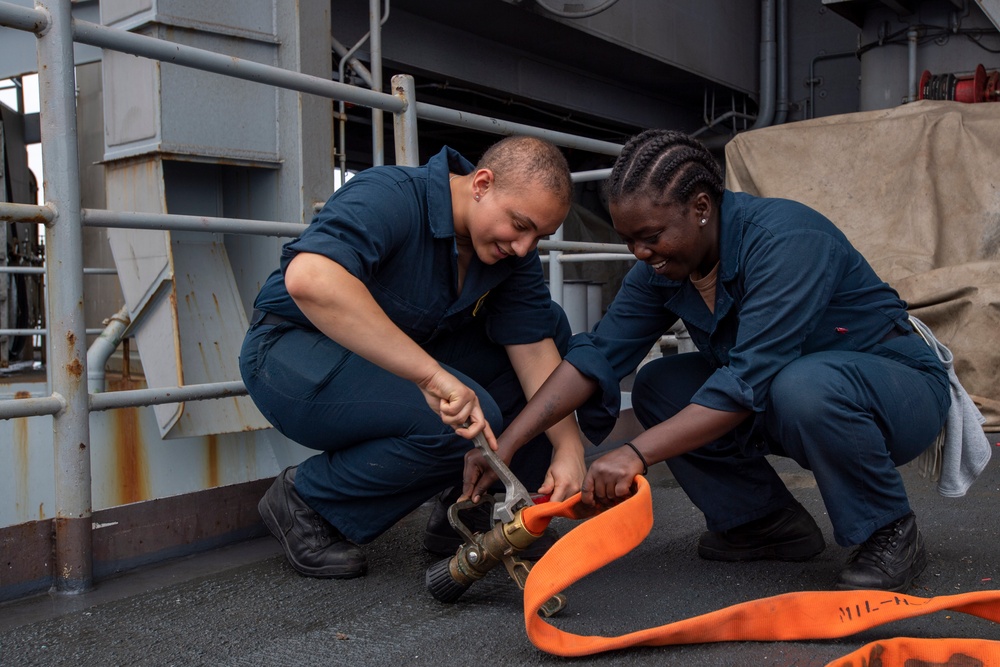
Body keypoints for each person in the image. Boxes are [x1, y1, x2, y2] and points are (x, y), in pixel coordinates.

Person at [461, 129, 952, 593]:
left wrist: (636, 453)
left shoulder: (785, 241)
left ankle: (891, 531)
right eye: (629, 239)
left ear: (700, 207)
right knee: (659, 385)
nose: (640, 252)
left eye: (650, 235)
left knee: (801, 385)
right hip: (789, 394)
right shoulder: (664, 266)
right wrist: (506, 445)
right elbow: (598, 355)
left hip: (896, 391)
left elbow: (745, 382)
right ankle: (763, 523)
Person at [240, 135, 586, 579]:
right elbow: (310, 279)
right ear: (481, 184)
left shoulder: (511, 256)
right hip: (290, 354)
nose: (524, 247)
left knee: (551, 325)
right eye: (519, 225)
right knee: (451, 421)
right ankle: (308, 499)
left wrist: (570, 447)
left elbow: (535, 347)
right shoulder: (391, 195)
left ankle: (467, 509)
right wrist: (431, 378)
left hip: (386, 357)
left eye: (539, 236)